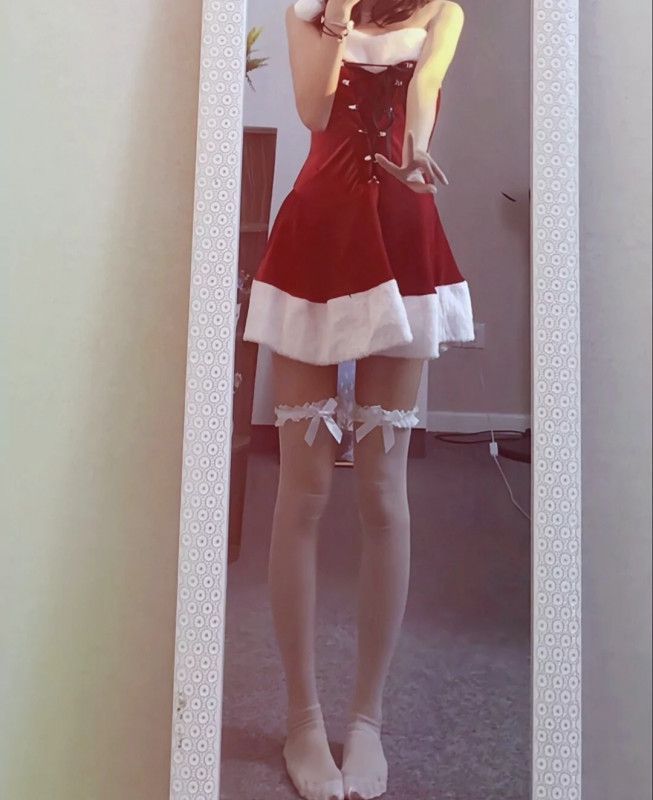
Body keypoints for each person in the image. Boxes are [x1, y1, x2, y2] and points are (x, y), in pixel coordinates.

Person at [243, 1, 473, 798]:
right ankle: (302, 720)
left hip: (404, 230)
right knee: (301, 492)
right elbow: (313, 112)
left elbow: (424, 89)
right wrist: (336, 19)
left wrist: (418, 149)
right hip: (314, 234)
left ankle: (366, 720)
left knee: (382, 491)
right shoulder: (309, 14)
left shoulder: (442, 12)